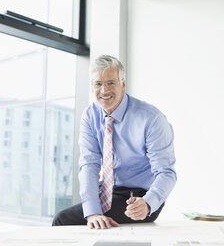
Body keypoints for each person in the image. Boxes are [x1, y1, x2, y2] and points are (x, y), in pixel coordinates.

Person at [52, 55, 176, 229]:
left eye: (111, 83)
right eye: (98, 84)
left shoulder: (151, 118)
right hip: (109, 189)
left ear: (123, 84)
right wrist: (93, 212)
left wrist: (148, 203)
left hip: (141, 195)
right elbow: (89, 164)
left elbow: (166, 172)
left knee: (63, 220)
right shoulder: (90, 115)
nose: (104, 90)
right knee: (79, 218)